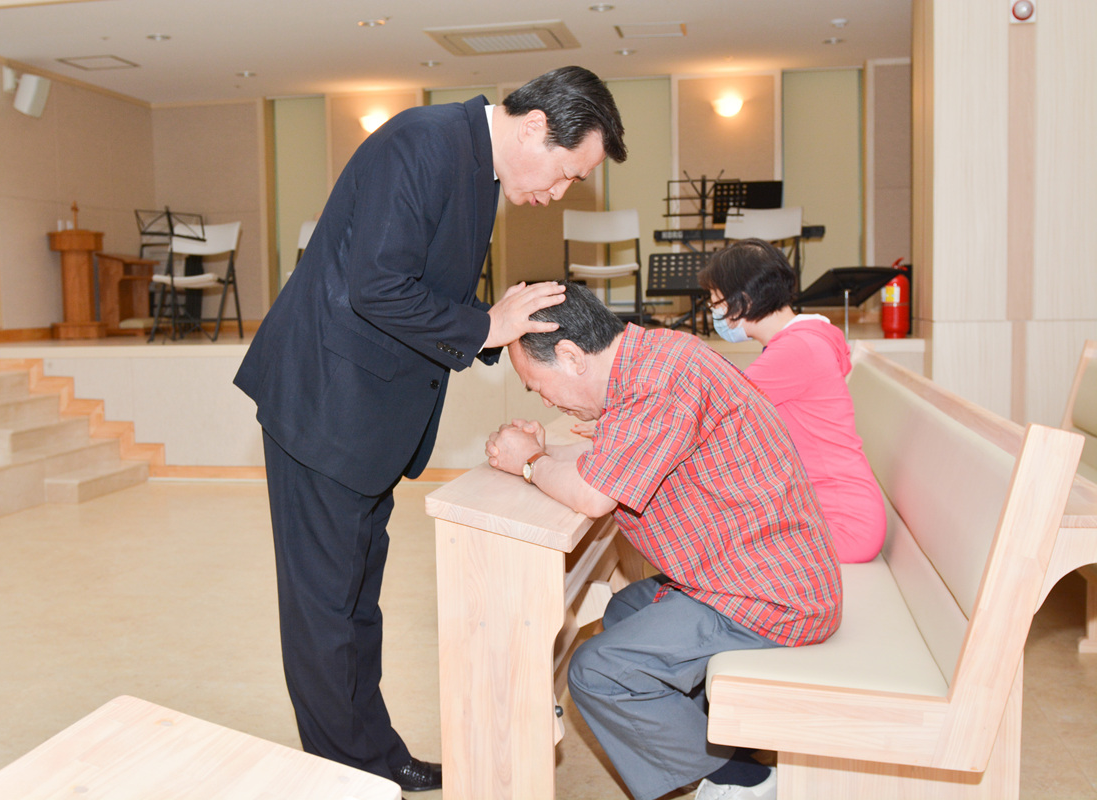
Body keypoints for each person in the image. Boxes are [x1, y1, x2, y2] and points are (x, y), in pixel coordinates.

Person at [233, 68, 627, 792]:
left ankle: (373, 754)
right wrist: (485, 325)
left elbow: (424, 289)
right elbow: (377, 287)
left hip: (365, 416)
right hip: (325, 405)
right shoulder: (423, 143)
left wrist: (499, 325)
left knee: (356, 602)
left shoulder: (473, 164)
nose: (559, 192)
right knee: (325, 610)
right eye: (568, 174)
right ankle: (346, 774)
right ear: (536, 127)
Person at [485, 283, 841, 800]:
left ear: (571, 356)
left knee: (599, 670)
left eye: (538, 386)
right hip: (752, 570)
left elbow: (593, 495)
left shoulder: (654, 384)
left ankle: (743, 781)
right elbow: (605, 467)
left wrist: (530, 462)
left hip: (770, 596)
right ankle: (722, 740)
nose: (545, 399)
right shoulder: (649, 361)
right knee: (626, 609)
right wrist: (539, 454)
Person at [698, 238, 886, 563]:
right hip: (828, 510)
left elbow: (714, 411)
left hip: (839, 523)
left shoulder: (796, 350)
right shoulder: (806, 339)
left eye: (716, 303)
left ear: (742, 301)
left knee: (704, 544)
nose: (715, 313)